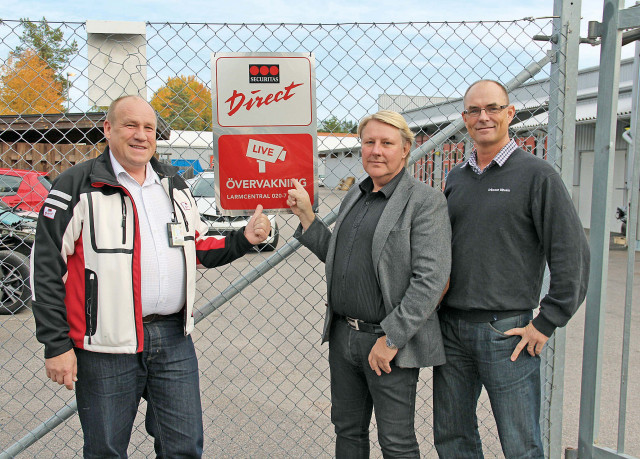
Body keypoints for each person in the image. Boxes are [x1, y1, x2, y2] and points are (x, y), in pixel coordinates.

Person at [30, 95, 271, 458]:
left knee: (184, 447)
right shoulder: (76, 185)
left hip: (173, 338)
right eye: (131, 125)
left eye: (149, 128)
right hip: (105, 347)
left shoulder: (172, 183)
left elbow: (195, 247)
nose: (141, 135)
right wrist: (57, 344)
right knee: (106, 451)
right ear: (108, 129)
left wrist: (243, 240)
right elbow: (46, 268)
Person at [433, 80, 590, 458]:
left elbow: (572, 255)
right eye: (473, 110)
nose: (482, 117)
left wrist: (547, 321)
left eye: (492, 108)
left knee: (520, 444)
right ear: (464, 118)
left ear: (509, 113)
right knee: (453, 437)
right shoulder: (456, 178)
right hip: (450, 329)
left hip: (508, 332)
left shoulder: (538, 176)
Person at [287, 110, 451, 458]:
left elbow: (430, 281)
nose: (376, 150)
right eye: (369, 142)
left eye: (387, 143)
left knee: (396, 442)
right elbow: (338, 256)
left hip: (387, 343)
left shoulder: (424, 201)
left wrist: (391, 338)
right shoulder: (355, 196)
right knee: (347, 431)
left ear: (405, 149)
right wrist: (307, 217)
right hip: (344, 336)